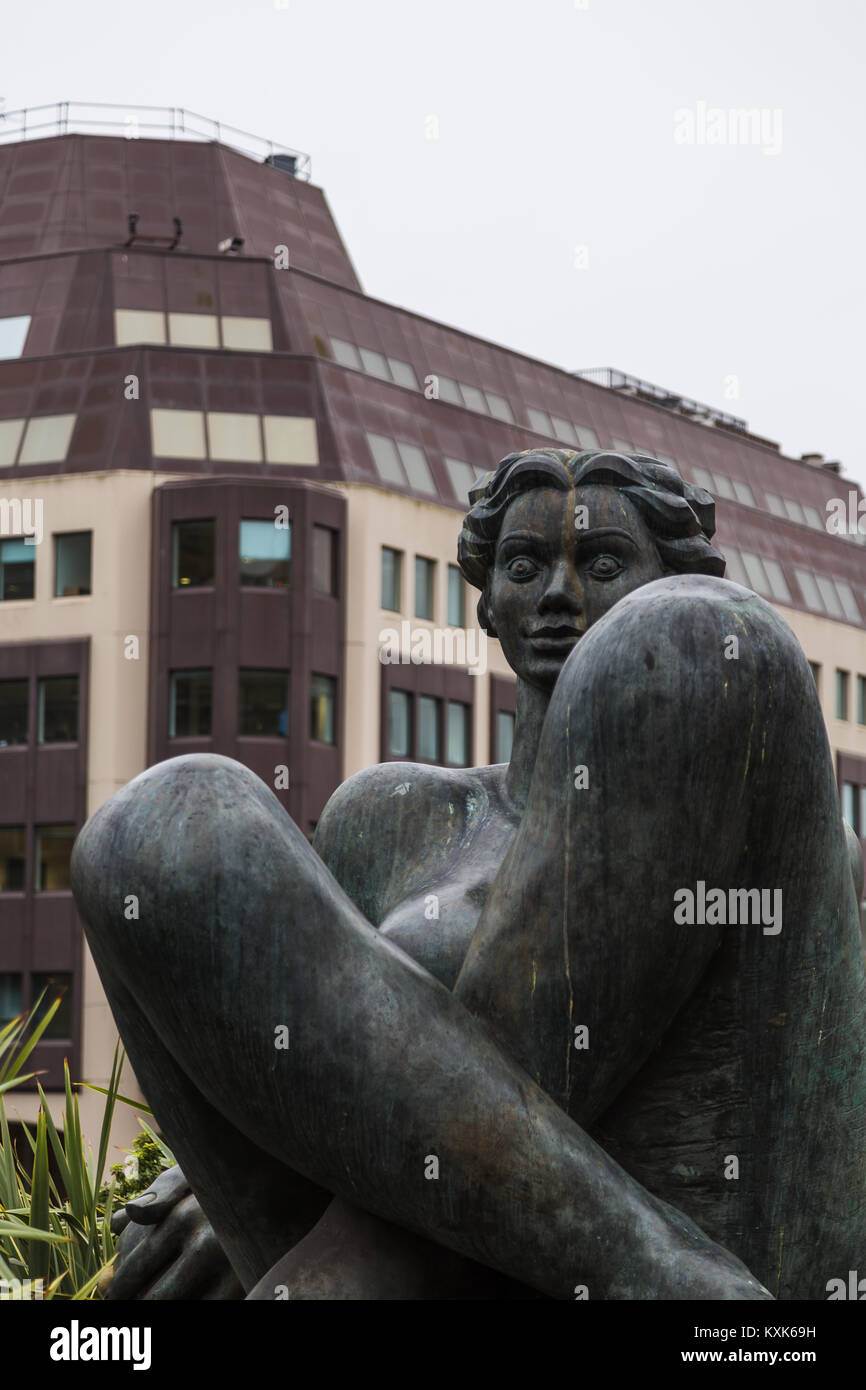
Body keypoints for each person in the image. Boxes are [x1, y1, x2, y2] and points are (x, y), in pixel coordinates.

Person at [72, 449, 866, 1301]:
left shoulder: (777, 822)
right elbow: (334, 1057)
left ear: (666, 575)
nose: (560, 594)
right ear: (487, 603)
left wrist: (346, 1245)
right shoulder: (388, 819)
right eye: (525, 567)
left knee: (699, 641)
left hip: (734, 1255)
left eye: (602, 564)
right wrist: (224, 1175)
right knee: (155, 822)